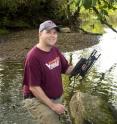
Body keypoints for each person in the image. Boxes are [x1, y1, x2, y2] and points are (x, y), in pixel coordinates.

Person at [22, 20, 74, 124]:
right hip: (35, 99)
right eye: (48, 32)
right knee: (52, 121)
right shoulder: (33, 57)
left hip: (56, 97)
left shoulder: (55, 50)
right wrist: (53, 106)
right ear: (40, 34)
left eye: (54, 32)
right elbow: (34, 87)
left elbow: (67, 69)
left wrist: (80, 67)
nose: (53, 35)